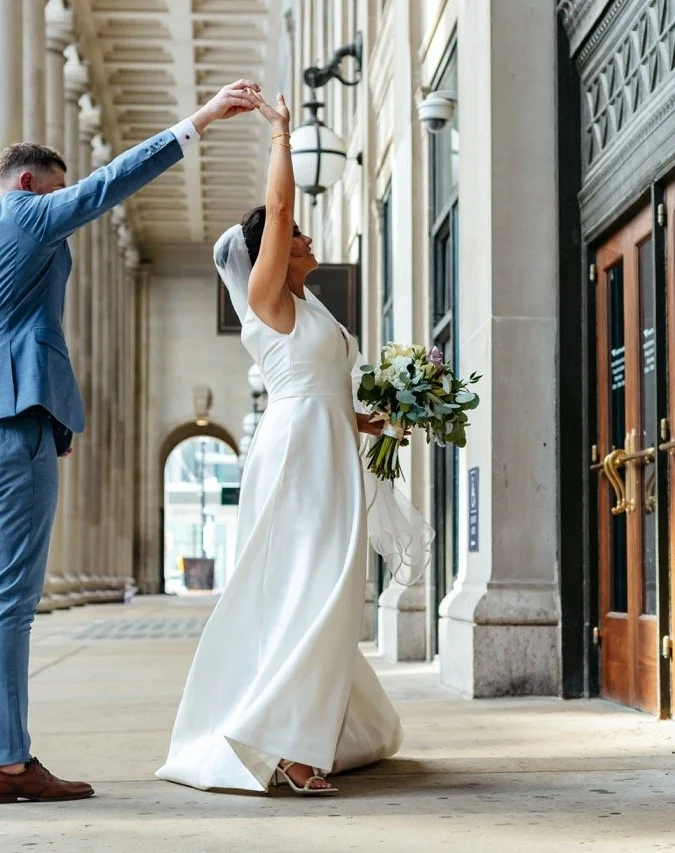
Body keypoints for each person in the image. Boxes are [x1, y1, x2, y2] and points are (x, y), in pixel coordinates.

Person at [0, 81, 262, 805]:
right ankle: (10, 764)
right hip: (10, 431)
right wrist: (201, 119)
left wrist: (36, 404)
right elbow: (112, 183)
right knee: (9, 603)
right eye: (57, 194)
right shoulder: (28, 218)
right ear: (28, 183)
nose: (64, 209)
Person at [155, 93, 404, 796]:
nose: (307, 242)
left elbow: (322, 382)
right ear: (271, 247)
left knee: (330, 585)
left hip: (330, 446)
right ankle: (288, 746)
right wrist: (281, 136)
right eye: (296, 237)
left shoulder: (314, 307)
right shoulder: (269, 298)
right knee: (307, 585)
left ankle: (313, 725)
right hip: (297, 455)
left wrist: (370, 421)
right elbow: (282, 209)